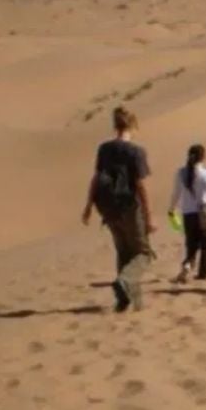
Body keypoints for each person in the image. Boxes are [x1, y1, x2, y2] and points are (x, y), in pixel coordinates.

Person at [81, 106, 155, 312]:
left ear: (115, 126)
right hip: (130, 207)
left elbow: (96, 178)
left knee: (124, 252)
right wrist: (148, 217)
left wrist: (88, 206)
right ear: (133, 124)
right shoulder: (136, 152)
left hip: (108, 209)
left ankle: (129, 302)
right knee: (143, 254)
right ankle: (124, 282)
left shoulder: (104, 148)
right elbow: (140, 185)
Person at [167, 144, 206, 284]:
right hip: (204, 213)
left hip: (188, 215)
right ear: (203, 157)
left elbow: (176, 194)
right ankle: (204, 272)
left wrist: (171, 209)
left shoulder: (181, 173)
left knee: (191, 246)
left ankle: (187, 266)